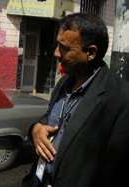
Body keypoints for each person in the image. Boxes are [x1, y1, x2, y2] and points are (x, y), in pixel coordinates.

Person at [24, 12, 129, 187]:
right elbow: (50, 119)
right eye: (57, 45)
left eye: (64, 48)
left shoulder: (121, 98)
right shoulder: (64, 83)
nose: (56, 53)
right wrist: (36, 129)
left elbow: (115, 172)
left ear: (91, 52)